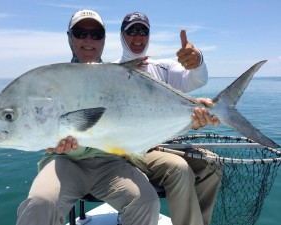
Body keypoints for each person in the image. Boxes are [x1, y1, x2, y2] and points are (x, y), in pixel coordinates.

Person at [16, 9, 219, 225]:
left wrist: (197, 67)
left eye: (96, 35)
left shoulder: (122, 75)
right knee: (39, 204)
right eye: (80, 33)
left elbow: (190, 83)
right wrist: (52, 140)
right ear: (70, 37)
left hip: (113, 161)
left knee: (148, 200)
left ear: (104, 40)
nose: (88, 40)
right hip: (67, 161)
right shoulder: (59, 80)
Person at [115, 12, 223, 225]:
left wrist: (197, 60)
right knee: (179, 168)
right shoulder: (111, 72)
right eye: (132, 31)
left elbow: (196, 78)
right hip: (130, 151)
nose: (138, 37)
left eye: (143, 31)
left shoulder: (162, 68)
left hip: (161, 143)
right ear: (121, 36)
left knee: (214, 164)